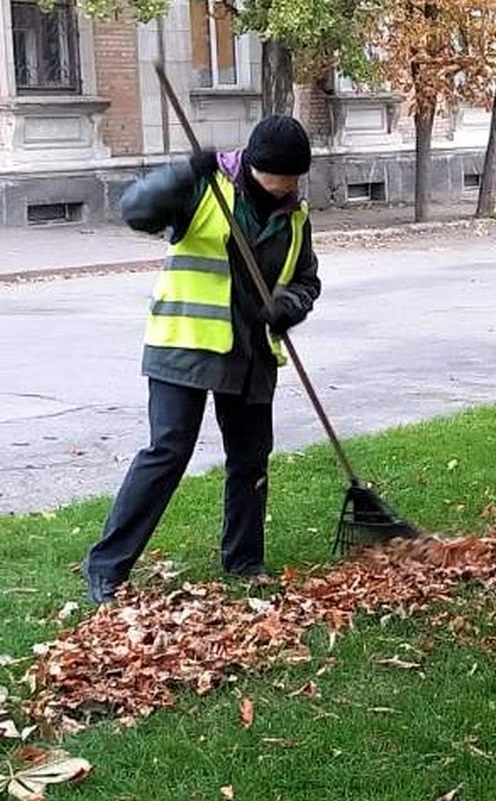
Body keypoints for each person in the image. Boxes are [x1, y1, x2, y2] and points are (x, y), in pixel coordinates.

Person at [81, 115, 322, 603]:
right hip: (185, 342)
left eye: (297, 178)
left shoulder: (295, 213)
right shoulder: (206, 190)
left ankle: (245, 561)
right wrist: (182, 173)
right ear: (256, 167)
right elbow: (136, 212)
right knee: (167, 451)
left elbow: (306, 280)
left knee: (250, 458)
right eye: (284, 177)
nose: (291, 187)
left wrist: (287, 307)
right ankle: (106, 566)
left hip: (250, 352)